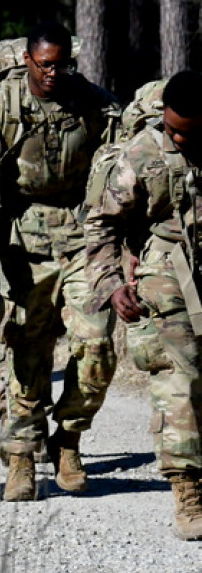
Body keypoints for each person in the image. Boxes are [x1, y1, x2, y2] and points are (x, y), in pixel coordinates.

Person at [0, 21, 121, 501]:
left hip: (81, 239)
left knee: (97, 344)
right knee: (25, 352)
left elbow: (120, 162)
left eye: (61, 64)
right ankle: (23, 457)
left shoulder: (92, 104)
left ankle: (68, 439)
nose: (53, 73)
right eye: (44, 64)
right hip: (21, 245)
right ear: (28, 61)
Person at [84, 70, 202, 540]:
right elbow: (100, 225)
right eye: (171, 128)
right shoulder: (141, 154)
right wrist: (112, 284)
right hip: (167, 270)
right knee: (180, 379)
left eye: (186, 132)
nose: (176, 137)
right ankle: (188, 492)